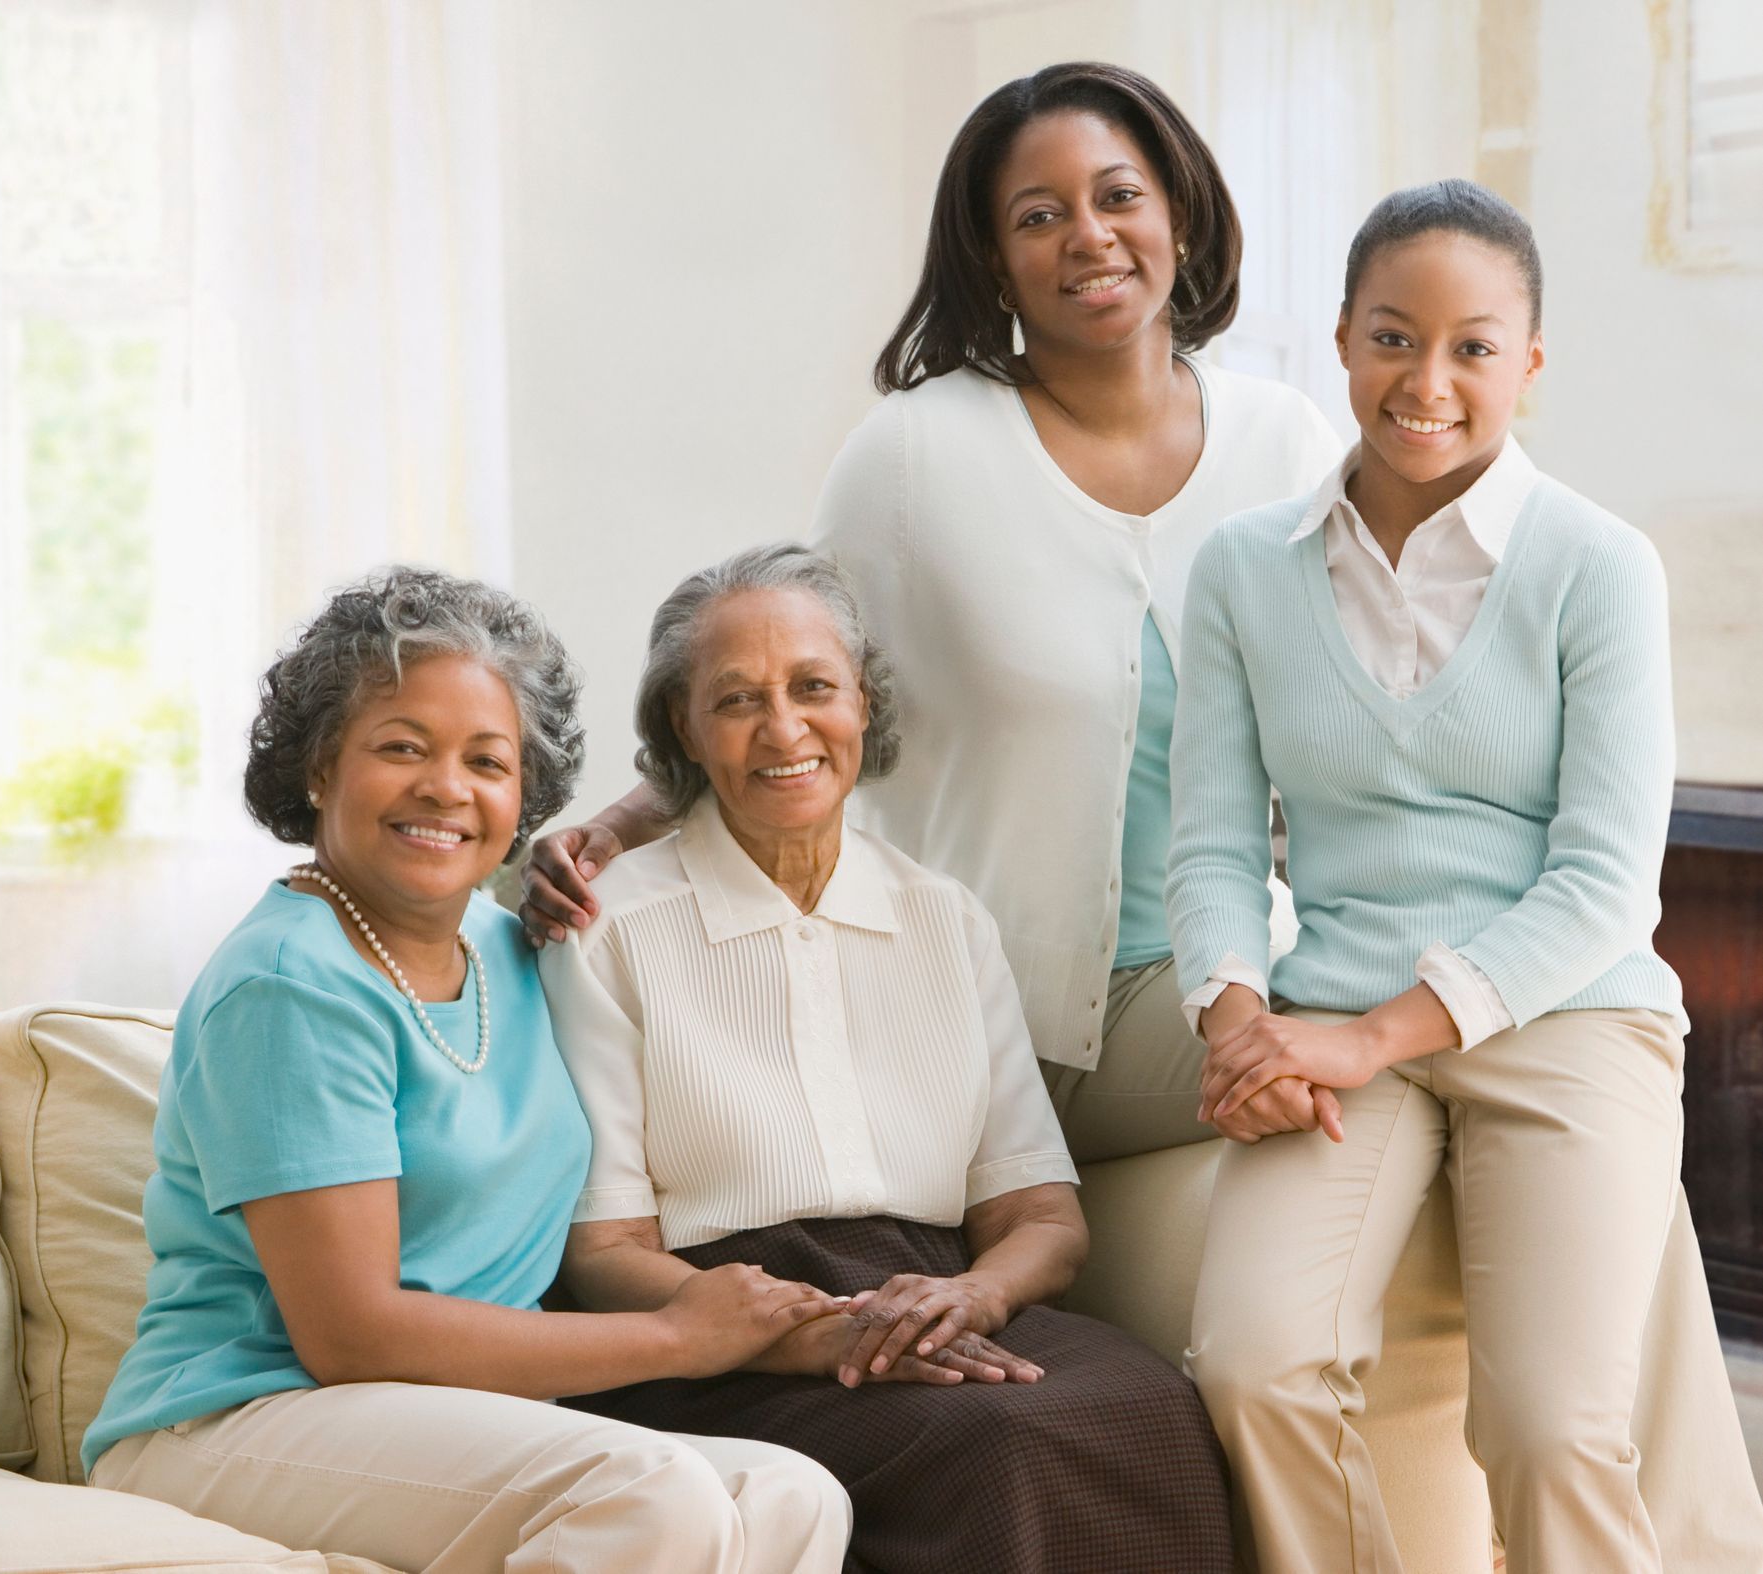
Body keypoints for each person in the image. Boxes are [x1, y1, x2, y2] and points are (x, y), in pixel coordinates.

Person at [520, 62, 1343, 1163]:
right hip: (1000, 1010)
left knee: (1484, 1029)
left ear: (1180, 215)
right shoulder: (918, 456)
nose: (1090, 236)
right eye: (1039, 217)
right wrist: (618, 826)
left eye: (1118, 196)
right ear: (994, 263)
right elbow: (788, 683)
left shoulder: (1285, 442)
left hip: (1225, 977)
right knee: (1395, 1059)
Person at [1168, 181, 1763, 1572]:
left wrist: (1377, 1031)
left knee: (1552, 1426)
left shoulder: (1598, 566)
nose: (1424, 381)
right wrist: (1235, 1019)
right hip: (1329, 1024)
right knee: (1252, 1363)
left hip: (1567, 1019)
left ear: (1529, 365)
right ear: (1339, 339)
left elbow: (1609, 885)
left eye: (1472, 347)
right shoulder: (1242, 572)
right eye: (1391, 336)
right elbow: (1203, 842)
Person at [83, 568, 852, 1574]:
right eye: (402, 746)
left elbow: (718, 771)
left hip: (451, 1418)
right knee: (651, 1493)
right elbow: (352, 1333)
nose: (448, 787)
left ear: (524, 795)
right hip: (245, 1413)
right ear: (320, 766)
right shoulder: (291, 982)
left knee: (791, 1493)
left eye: (488, 760)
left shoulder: (517, 943)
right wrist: (678, 1333)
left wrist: (612, 827)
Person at [539, 544, 1235, 1574]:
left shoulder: (944, 916)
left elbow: (1042, 1218)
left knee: (1154, 1409)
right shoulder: (606, 931)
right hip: (721, 1334)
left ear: (864, 702)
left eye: (814, 687)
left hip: (941, 1296)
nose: (785, 728)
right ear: (682, 729)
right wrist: (801, 1329)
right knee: (997, 1442)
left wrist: (976, 1297)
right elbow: (602, 1257)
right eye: (736, 699)